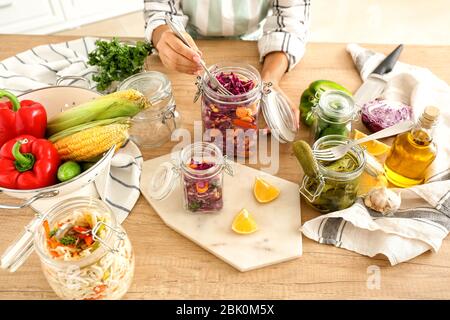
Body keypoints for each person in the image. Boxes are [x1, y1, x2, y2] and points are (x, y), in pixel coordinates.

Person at [143, 0, 310, 126]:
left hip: (255, 44)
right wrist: (165, 38)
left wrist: (270, 80)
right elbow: (159, 10)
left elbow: (291, 18)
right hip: (188, 41)